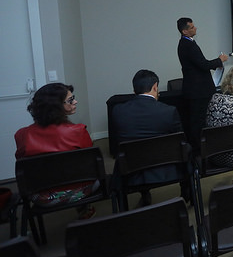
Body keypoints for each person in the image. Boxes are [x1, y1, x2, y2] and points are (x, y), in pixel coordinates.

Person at [14, 83, 96, 219]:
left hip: (42, 197)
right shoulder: (78, 131)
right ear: (55, 106)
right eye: (70, 100)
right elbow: (91, 164)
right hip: (81, 191)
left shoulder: (21, 135)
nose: (76, 101)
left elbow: (23, 166)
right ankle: (84, 209)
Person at [112, 69, 184, 206]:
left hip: (130, 168)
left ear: (134, 89)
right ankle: (187, 193)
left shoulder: (118, 111)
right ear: (155, 87)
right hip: (165, 166)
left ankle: (142, 196)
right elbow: (180, 140)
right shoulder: (169, 111)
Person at [177, 17, 229, 150]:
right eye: (192, 27)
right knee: (198, 122)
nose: (195, 28)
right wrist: (219, 60)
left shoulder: (187, 43)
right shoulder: (188, 45)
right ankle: (198, 150)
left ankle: (199, 147)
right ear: (184, 31)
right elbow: (203, 65)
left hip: (196, 89)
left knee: (198, 121)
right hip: (198, 91)